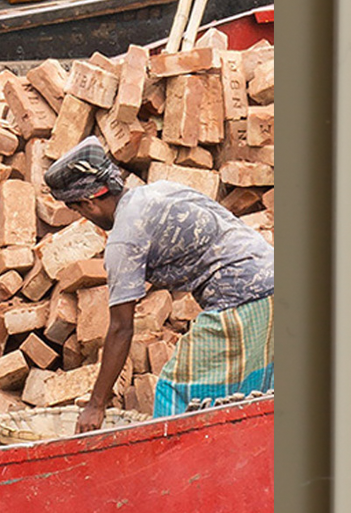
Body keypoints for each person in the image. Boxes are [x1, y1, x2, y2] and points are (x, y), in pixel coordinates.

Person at [43, 138, 274, 435]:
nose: (85, 219)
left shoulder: (124, 239)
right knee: (253, 391)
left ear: (89, 203)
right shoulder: (160, 191)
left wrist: (96, 404)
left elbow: (121, 328)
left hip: (240, 301)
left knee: (176, 390)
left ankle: (176, 476)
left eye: (79, 211)